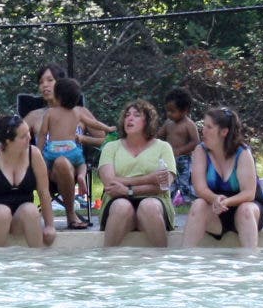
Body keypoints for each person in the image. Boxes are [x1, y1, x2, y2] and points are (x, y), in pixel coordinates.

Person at [22, 63, 96, 229]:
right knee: (58, 162)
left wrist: (81, 138)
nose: (44, 85)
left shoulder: (79, 112)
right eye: (41, 82)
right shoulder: (35, 116)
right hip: (43, 169)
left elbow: (103, 138)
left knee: (62, 162)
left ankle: (70, 214)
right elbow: (13, 139)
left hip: (73, 166)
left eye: (50, 80)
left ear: (62, 84)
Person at [182, 107, 263, 249]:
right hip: (215, 210)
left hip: (247, 209)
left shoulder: (243, 153)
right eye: (204, 126)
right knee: (198, 205)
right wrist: (215, 199)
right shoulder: (201, 150)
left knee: (245, 210)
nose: (203, 131)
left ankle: (250, 261)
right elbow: (200, 188)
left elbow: (249, 193)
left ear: (224, 132)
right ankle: (185, 258)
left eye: (209, 127)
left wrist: (226, 201)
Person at [0, 115, 57, 248]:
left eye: (28, 133)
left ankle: (38, 262)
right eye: (23, 136)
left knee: (31, 210)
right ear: (9, 141)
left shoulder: (34, 154)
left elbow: (44, 191)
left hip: (19, 217)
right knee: (2, 213)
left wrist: (50, 226)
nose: (29, 138)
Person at [98, 100, 176, 248]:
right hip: (117, 202)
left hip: (155, 202)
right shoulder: (110, 147)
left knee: (149, 206)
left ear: (148, 121)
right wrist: (149, 179)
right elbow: (110, 183)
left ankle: (162, 263)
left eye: (136, 115)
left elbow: (164, 185)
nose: (130, 118)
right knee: (121, 206)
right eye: (127, 115)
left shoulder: (163, 147)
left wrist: (127, 190)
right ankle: (107, 263)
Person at [38, 77, 115, 222]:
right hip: (71, 148)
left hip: (53, 150)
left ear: (57, 96)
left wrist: (39, 152)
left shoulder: (50, 113)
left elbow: (42, 134)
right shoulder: (77, 113)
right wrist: (108, 128)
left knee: (46, 165)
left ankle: (46, 181)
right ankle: (81, 176)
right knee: (82, 163)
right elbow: (95, 123)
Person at [157, 87, 199, 204]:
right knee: (170, 180)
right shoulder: (168, 123)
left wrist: (180, 150)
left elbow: (195, 142)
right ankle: (169, 199)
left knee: (185, 181)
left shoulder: (188, 124)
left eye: (172, 111)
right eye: (167, 110)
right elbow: (160, 135)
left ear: (184, 110)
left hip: (184, 160)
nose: (169, 114)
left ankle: (189, 200)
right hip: (169, 159)